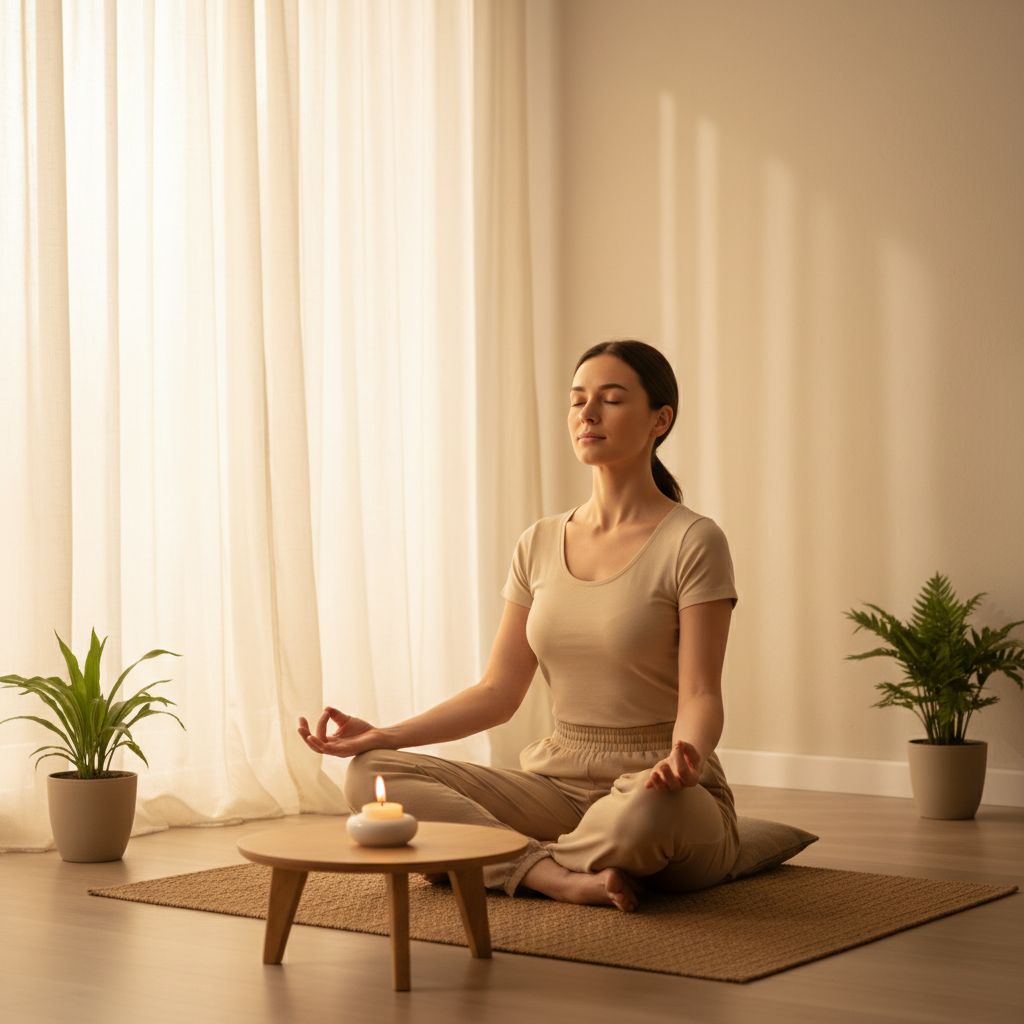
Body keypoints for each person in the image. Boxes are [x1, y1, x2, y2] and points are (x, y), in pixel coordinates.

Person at [298, 339, 740, 913]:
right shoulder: (539, 542)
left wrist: (685, 754)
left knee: (642, 815)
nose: (588, 414)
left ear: (661, 420)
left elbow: (702, 693)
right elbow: (497, 693)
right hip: (558, 787)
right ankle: (551, 875)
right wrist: (384, 734)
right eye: (577, 400)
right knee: (370, 775)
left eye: (610, 400)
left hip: (659, 788)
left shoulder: (693, 540)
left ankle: (488, 857)